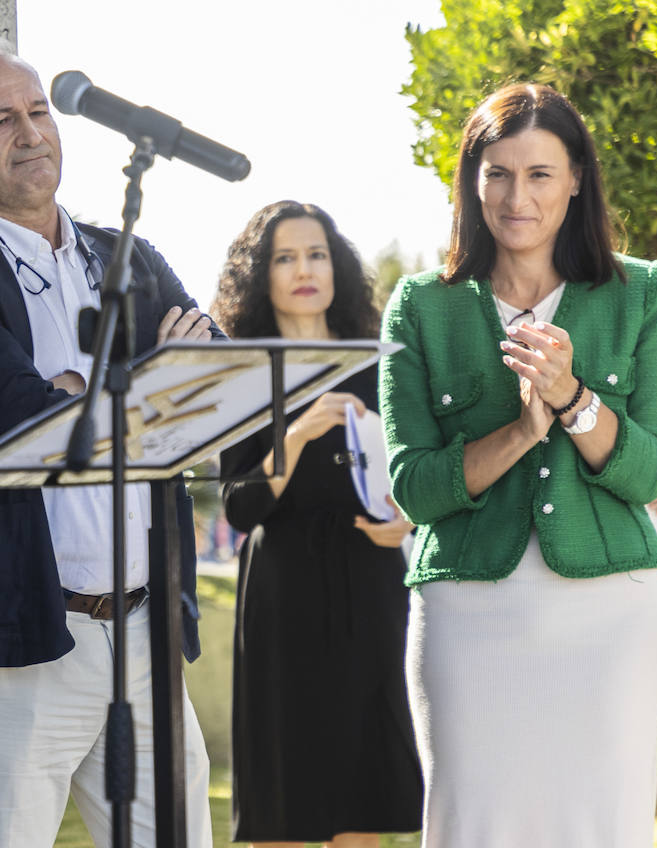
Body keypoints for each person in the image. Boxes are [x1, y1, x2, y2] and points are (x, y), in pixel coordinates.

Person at [0, 40, 218, 848]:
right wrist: (143, 381)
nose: (31, 132)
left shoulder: (128, 256)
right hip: (13, 646)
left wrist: (100, 389)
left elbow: (209, 370)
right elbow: (24, 417)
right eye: (0, 119)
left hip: (144, 637)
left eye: (38, 111)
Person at [380, 82, 657, 846]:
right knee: (472, 826)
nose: (518, 196)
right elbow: (415, 488)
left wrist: (576, 400)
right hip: (467, 612)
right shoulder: (420, 304)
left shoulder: (646, 293)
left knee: (603, 829)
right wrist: (521, 428)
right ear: (471, 180)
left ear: (577, 177)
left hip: (612, 618)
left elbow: (652, 475)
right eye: (498, 173)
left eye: (540, 173)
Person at [213, 201, 422, 848]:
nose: (304, 269)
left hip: (371, 586)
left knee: (364, 803)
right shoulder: (246, 375)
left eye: (317, 254)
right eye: (285, 257)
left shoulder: (381, 362)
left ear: (337, 268)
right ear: (259, 275)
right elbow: (240, 507)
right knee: (284, 804)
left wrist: (407, 520)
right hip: (284, 599)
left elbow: (415, 474)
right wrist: (297, 434)